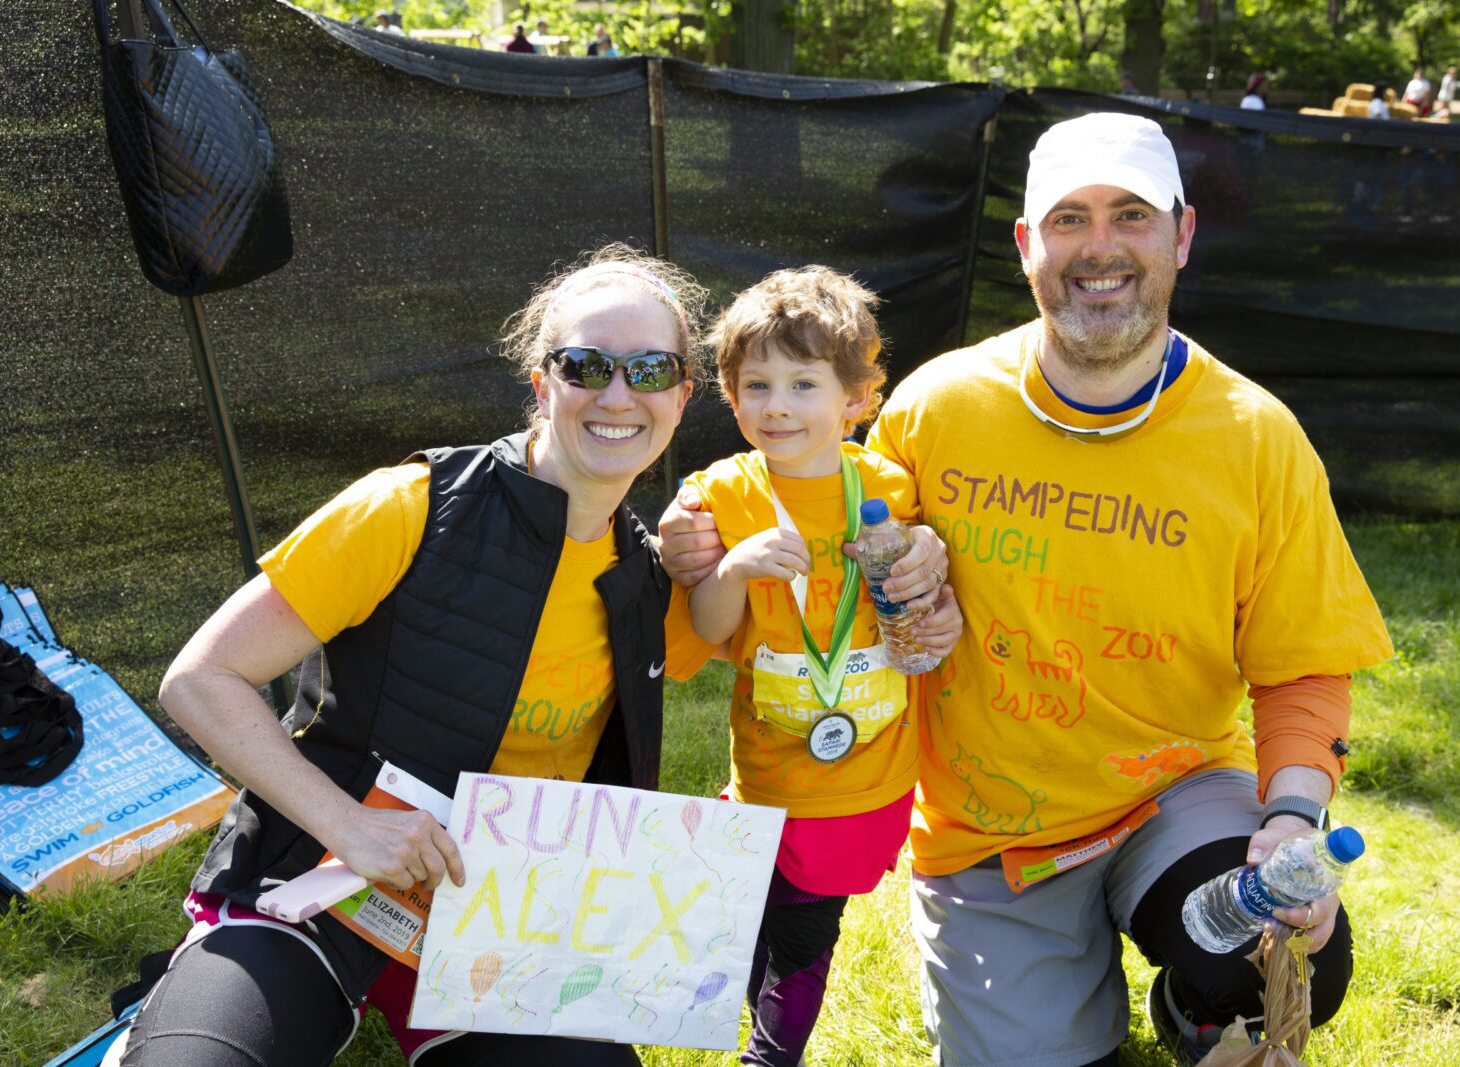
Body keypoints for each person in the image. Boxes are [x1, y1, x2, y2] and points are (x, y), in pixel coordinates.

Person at [659, 112, 1393, 1066]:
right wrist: (707, 533)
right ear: (1026, 246)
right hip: (986, 830)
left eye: (1131, 215)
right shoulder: (940, 403)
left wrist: (1292, 820)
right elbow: (837, 526)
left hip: (1173, 791)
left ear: (1181, 234)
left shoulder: (1257, 436)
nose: (1100, 247)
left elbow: (1305, 663)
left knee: (1275, 949)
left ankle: (1198, 1004)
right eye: (1069, 219)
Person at [115, 245, 716, 1067]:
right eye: (586, 365)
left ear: (682, 396)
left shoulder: (648, 581)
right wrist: (348, 825)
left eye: (650, 370)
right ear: (542, 383)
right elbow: (199, 679)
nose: (618, 394)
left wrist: (913, 579)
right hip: (322, 879)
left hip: (498, 922)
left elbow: (795, 604)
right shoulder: (413, 506)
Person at [680, 267, 961, 1067]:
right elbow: (706, 636)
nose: (777, 405)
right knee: (758, 923)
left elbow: (932, 591)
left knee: (805, 933)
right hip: (766, 772)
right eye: (755, 383)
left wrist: (926, 571)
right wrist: (732, 571)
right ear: (731, 397)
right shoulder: (721, 494)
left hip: (863, 777)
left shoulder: (888, 486)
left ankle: (771, 1057)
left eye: (804, 383)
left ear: (856, 399)